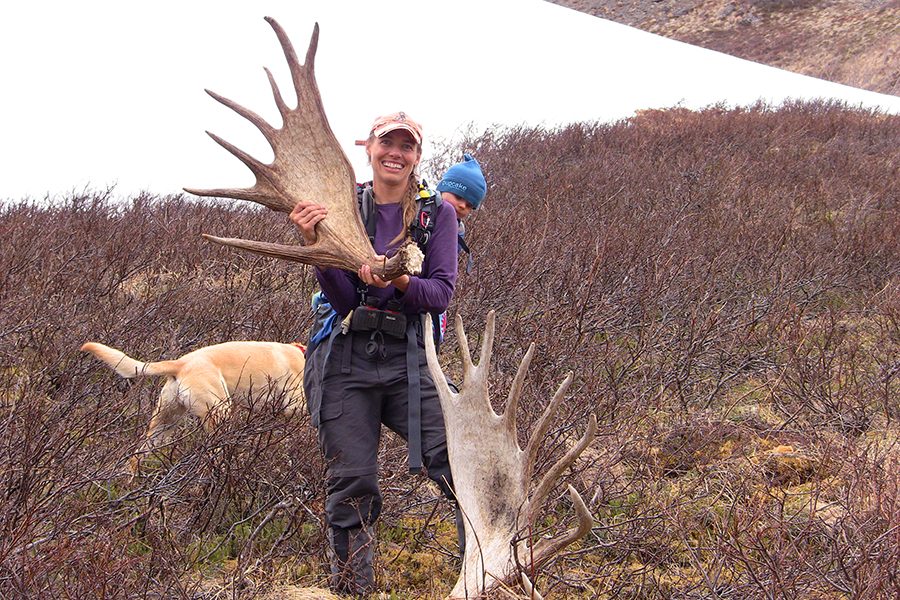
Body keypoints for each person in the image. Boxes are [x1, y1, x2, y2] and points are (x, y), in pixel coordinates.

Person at [290, 111, 460, 597]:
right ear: (368, 147)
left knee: (458, 461)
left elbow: (439, 294)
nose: (396, 153)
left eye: (407, 147)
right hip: (345, 357)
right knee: (353, 483)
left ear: (418, 157)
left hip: (408, 357)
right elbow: (343, 299)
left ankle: (488, 572)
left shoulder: (437, 215)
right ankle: (354, 592)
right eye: (388, 143)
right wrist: (314, 243)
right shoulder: (343, 208)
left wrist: (395, 278)